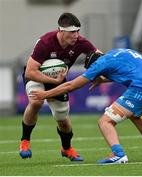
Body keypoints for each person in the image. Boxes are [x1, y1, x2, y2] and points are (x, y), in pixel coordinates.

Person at [30, 48, 142, 164]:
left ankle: (118, 154)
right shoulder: (119, 52)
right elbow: (126, 70)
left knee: (105, 121)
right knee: (135, 115)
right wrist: (103, 80)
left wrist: (45, 94)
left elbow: (71, 85)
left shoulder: (100, 63)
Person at [19, 12, 102, 161]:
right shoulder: (46, 42)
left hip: (58, 79)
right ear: (61, 31)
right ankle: (25, 141)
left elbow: (98, 56)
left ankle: (67, 148)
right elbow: (30, 73)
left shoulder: (81, 42)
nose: (76, 35)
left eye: (78, 31)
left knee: (62, 119)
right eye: (72, 32)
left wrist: (100, 71)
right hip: (37, 76)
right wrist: (54, 81)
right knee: (36, 102)